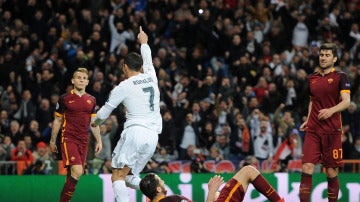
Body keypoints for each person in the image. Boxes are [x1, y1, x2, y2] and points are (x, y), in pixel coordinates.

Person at [92, 26, 162, 202]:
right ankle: (158, 193)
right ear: (140, 67)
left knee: (117, 176)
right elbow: (149, 61)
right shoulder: (152, 77)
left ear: (124, 67)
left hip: (135, 132)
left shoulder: (124, 86)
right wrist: (144, 42)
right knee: (130, 177)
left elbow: (104, 112)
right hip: (153, 137)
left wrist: (95, 122)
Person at [299, 43, 351, 202]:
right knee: (307, 167)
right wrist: (308, 119)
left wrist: (331, 110)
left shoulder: (341, 77)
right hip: (313, 130)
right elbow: (312, 102)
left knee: (331, 172)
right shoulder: (311, 78)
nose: (323, 58)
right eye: (322, 55)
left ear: (334, 58)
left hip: (332, 131)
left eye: (327, 55)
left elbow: (347, 101)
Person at [49, 67, 102, 202]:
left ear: (87, 82)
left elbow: (94, 123)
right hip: (68, 138)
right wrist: (52, 141)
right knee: (78, 171)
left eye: (84, 78)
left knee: (72, 175)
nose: (81, 80)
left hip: (84, 141)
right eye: (78, 77)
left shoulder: (92, 100)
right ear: (73, 80)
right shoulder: (64, 99)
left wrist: (99, 141)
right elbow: (57, 120)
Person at [139, 165, 284, 202]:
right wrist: (210, 191)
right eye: (161, 180)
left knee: (217, 194)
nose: (164, 181)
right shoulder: (171, 200)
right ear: (158, 189)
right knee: (248, 171)